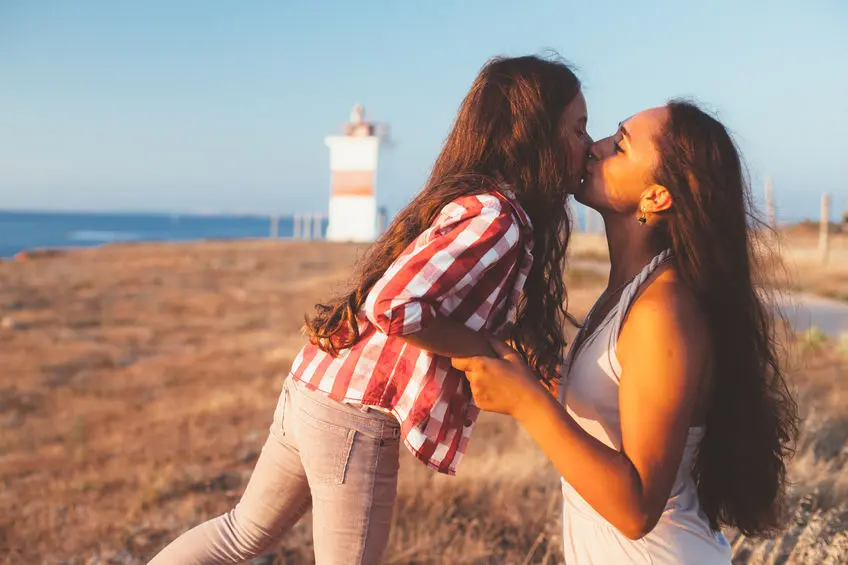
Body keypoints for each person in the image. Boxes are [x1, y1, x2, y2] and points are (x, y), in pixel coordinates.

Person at [148, 54, 591, 565]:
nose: (587, 144)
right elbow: (393, 304)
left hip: (315, 385)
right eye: (578, 129)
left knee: (239, 534)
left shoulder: (473, 201)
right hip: (354, 415)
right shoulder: (497, 217)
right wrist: (481, 350)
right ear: (534, 135)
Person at [453, 100, 798, 564]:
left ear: (656, 196)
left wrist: (526, 402)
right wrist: (543, 378)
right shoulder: (634, 288)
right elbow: (619, 416)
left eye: (619, 146)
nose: (593, 149)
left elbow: (636, 510)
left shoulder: (664, 309)